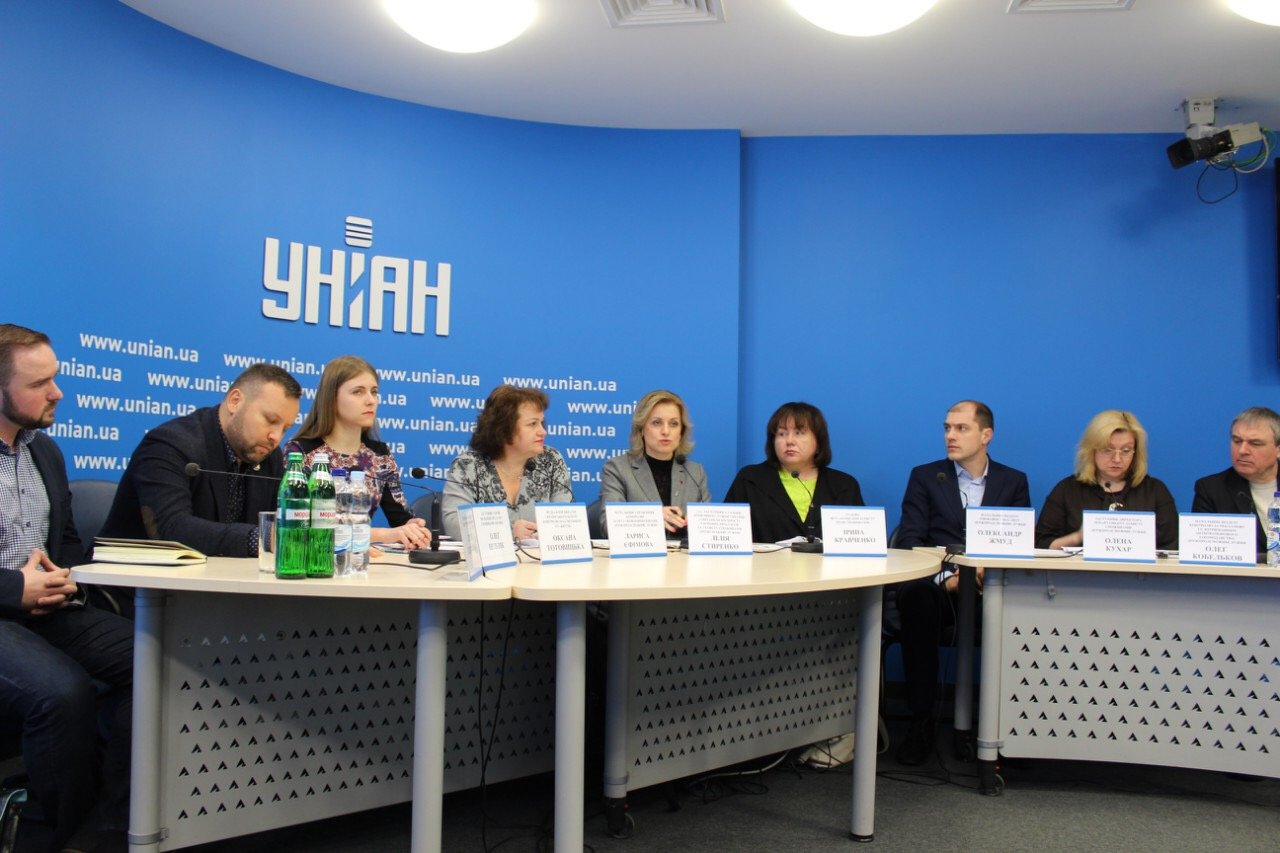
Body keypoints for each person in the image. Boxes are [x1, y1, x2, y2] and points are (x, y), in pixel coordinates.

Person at [0, 324, 132, 851]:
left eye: (55, 378)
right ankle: (52, 838)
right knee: (62, 693)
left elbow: (69, 544)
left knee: (157, 660)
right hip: (4, 612)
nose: (57, 392)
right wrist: (16, 587)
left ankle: (115, 820)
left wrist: (66, 577)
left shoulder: (46, 453)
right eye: (39, 384)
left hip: (52, 610)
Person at [892, 400, 1030, 766]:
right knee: (917, 599)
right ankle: (922, 723)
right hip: (937, 589)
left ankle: (1006, 730)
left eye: (961, 428)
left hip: (991, 588)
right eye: (947, 428)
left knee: (1024, 607)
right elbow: (910, 541)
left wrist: (988, 570)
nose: (950, 436)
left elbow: (1020, 544)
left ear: (986, 435)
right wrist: (946, 579)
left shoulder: (1013, 481)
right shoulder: (925, 476)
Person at [102, 363, 302, 556]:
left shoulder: (269, 458)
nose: (276, 437)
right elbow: (171, 528)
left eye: (285, 428)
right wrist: (259, 538)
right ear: (235, 401)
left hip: (223, 576)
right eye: (270, 420)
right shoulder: (170, 444)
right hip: (133, 576)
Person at [284, 355, 429, 549]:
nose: (370, 400)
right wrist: (383, 535)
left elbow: (399, 518)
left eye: (374, 392)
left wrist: (413, 528)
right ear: (331, 398)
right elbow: (298, 527)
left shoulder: (380, 455)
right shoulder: (301, 452)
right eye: (358, 392)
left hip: (361, 561)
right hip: (314, 559)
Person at [441, 385, 572, 541]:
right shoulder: (468, 466)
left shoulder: (551, 460)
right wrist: (509, 532)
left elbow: (565, 523)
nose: (543, 431)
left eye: (542, 423)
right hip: (490, 556)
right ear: (504, 429)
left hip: (538, 556)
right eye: (532, 424)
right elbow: (455, 524)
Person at [1036, 409, 1178, 550]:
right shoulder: (1067, 490)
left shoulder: (1155, 491)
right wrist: (1078, 537)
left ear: (1136, 452)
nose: (1117, 459)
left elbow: (1173, 548)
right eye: (1107, 450)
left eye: (1126, 450)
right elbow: (1040, 544)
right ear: (1091, 450)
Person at [723, 401, 863, 543]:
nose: (789, 441)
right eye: (781, 434)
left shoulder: (844, 486)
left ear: (819, 442)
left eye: (799, 433)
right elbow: (729, 536)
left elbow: (858, 543)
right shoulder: (750, 480)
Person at [599, 389, 711, 535]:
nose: (666, 431)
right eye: (657, 423)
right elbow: (608, 525)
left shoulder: (695, 472)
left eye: (674, 424)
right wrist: (652, 518)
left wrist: (697, 525)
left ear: (681, 432)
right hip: (640, 550)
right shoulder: (618, 468)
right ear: (641, 430)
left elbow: (708, 529)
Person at [1191, 406, 1280, 557]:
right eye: (1237, 441)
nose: (1242, 450)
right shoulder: (1211, 489)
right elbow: (1203, 551)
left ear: (1278, 449)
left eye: (1255, 443)